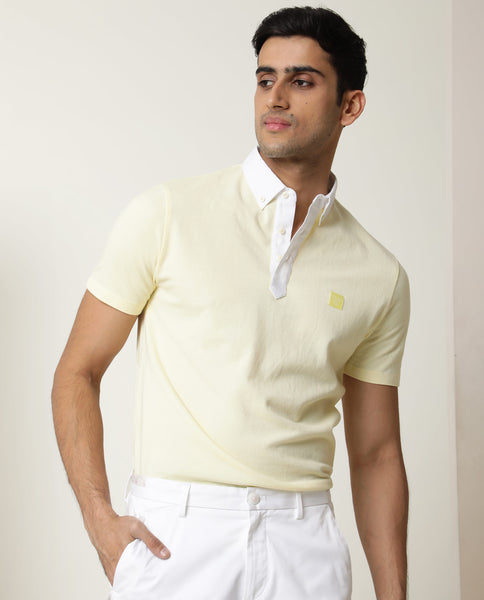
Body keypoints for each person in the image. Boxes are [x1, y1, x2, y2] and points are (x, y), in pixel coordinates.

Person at [52, 6, 410, 600]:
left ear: (350, 106)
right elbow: (77, 371)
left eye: (302, 81)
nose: (276, 98)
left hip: (304, 545)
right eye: (265, 79)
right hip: (176, 537)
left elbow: (376, 454)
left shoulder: (379, 273)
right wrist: (100, 521)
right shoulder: (168, 213)